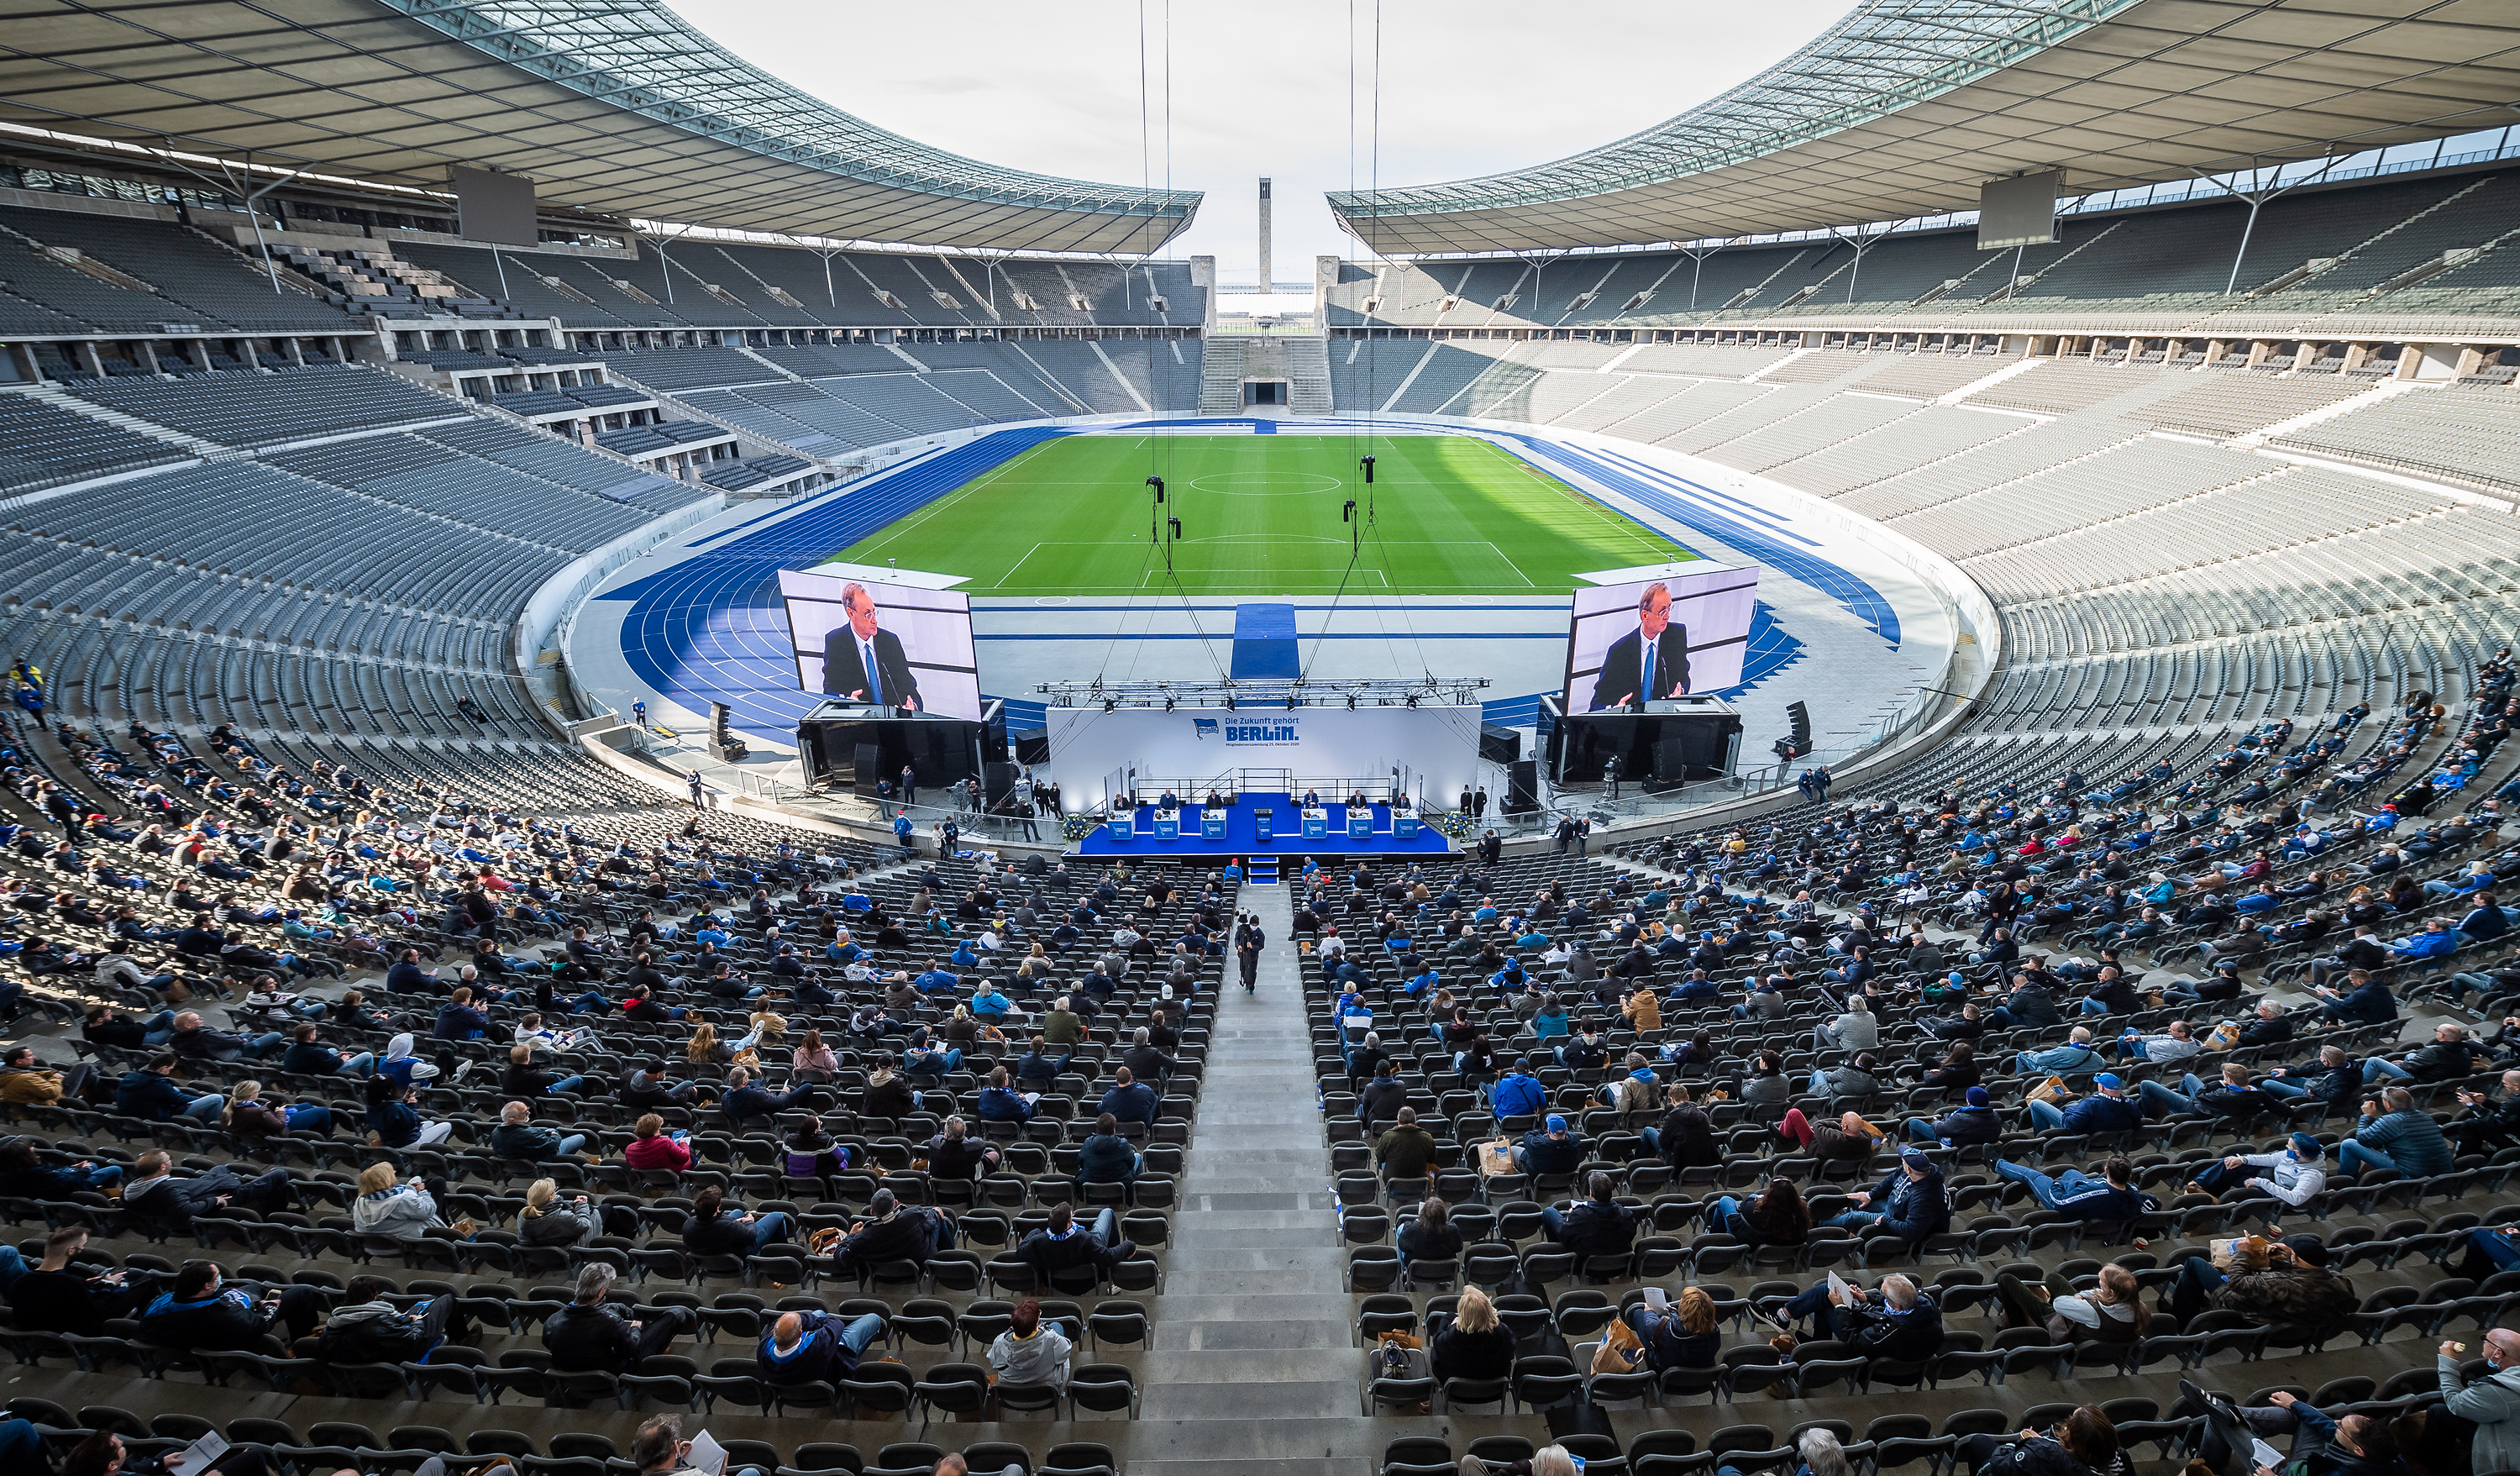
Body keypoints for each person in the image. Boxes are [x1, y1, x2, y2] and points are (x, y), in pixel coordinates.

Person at [2184, 1379, 2399, 1476]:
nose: (2336, 1423)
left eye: (2341, 1427)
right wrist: (2295, 1404)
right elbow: (2325, 1425)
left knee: (2217, 1421)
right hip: (2317, 1463)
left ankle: (2210, 1465)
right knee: (2304, 1417)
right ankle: (2236, 1413)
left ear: (2358, 1451)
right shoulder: (2392, 1460)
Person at [139, 1259, 324, 1348]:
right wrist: (269, 1306)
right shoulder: (221, 1314)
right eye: (216, 1277)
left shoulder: (158, 1304)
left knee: (252, 1286)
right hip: (230, 1332)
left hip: (204, 1325)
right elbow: (259, 1325)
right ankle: (302, 1344)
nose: (220, 1278)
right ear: (207, 1286)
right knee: (302, 1293)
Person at [546, 1263, 696, 1370]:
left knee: (621, 1308)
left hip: (572, 1369)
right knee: (677, 1314)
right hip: (613, 1369)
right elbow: (631, 1349)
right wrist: (635, 1329)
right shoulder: (609, 1320)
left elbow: (548, 1343)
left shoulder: (553, 1319)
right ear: (600, 1293)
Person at [7, 1226, 150, 1333]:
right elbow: (95, 1309)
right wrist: (110, 1285)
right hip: (78, 1330)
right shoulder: (70, 1283)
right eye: (81, 1248)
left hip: (44, 1328)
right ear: (70, 1251)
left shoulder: (19, 1282)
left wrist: (88, 1285)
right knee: (146, 1278)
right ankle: (138, 1331)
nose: (81, 1251)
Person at [1588, 581, 1689, 711]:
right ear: (1645, 615)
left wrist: (1681, 693)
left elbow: (1684, 678)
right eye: (1662, 611)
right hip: (1629, 722)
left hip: (1663, 718)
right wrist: (1615, 709)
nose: (1668, 616)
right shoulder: (1619, 651)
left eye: (1669, 608)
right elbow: (1596, 704)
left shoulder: (1676, 636)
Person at [819, 581, 921, 710]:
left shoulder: (890, 642)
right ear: (851, 613)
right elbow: (829, 690)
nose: (874, 620)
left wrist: (913, 707)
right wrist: (847, 701)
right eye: (868, 614)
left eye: (874, 612)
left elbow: (911, 690)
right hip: (861, 724)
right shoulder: (836, 642)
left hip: (894, 721)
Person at [1996, 1263, 2148, 1344]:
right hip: (2087, 1320)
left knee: (2006, 1280)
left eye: (2102, 1283)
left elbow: (2059, 1304)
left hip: (2064, 1325)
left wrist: (2079, 1300)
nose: (2099, 1283)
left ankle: (2016, 1327)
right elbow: (2094, 1297)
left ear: (2112, 1293)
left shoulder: (2093, 1313)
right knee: (2054, 1279)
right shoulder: (2139, 1309)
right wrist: (2083, 1295)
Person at [1960, 1406, 2133, 1476]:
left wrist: (2032, 1445)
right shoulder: (2119, 1460)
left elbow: (2001, 1466)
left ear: (2074, 1440)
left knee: (1978, 1443)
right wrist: (2044, 1443)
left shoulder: (2043, 1454)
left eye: (2071, 1422)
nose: (2067, 1421)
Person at [2438, 1328, 2520, 1473]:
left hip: (2507, 1463)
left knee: (2438, 1412)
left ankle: (2429, 1468)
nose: (2483, 1345)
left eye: (2486, 1341)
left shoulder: (2499, 1389)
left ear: (2498, 1353)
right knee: (2439, 1412)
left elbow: (2456, 1403)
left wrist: (2448, 1362)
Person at [832, 1188, 955, 1279]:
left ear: (872, 1212)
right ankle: (949, 1261)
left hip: (884, 1274)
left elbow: (840, 1260)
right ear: (896, 1203)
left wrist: (851, 1235)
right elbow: (932, 1218)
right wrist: (935, 1211)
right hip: (919, 1263)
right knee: (937, 1217)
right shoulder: (913, 1215)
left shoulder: (864, 1237)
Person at [1015, 1202, 1136, 1293]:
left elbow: (1019, 1252)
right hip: (1089, 1281)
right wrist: (1129, 1245)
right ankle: (1113, 1277)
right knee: (1108, 1212)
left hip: (1057, 1282)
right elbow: (1109, 1257)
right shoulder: (1086, 1240)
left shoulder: (1039, 1241)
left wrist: (1035, 1232)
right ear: (1068, 1225)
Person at [1992, 1154, 2149, 1221]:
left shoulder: (2095, 1193)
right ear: (2129, 1177)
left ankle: (1997, 1163)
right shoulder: (2133, 1192)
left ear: (2106, 1170)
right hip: (2091, 1197)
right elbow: (2152, 1203)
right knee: (2071, 1172)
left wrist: (2056, 1185)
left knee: (2033, 1176)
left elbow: (2062, 1203)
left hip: (2064, 1205)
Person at [758, 1306, 886, 1387]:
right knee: (873, 1319)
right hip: (834, 1359)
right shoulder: (819, 1346)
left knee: (819, 1312)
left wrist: (810, 1322)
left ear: (773, 1333)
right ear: (800, 1334)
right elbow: (836, 1324)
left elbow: (777, 1322)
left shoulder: (763, 1350)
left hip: (792, 1377)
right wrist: (817, 1325)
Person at [2342, 1085, 2454, 1178]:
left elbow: (2363, 1139)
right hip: (2442, 1175)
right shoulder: (2426, 1117)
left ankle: (2347, 1183)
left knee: (2348, 1144)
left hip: (2412, 1176)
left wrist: (2367, 1116)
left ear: (2388, 1104)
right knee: (2387, 1147)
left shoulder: (2390, 1121)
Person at [2191, 1132, 2327, 1208]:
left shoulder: (2312, 1176)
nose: (2286, 1147)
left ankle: (2203, 1197)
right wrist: (2243, 1159)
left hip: (2276, 1192)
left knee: (2230, 1176)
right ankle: (2201, 1190)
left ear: (2297, 1153)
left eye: (2289, 1146)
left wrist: (2261, 1182)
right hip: (2269, 1175)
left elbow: (2295, 1199)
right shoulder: (2293, 1155)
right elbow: (2270, 1159)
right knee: (2230, 1163)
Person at [1622, 1284, 1721, 1372]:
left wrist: (1649, 1312)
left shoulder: (1668, 1330)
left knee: (1639, 1314)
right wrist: (1673, 1312)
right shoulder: (1715, 1330)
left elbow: (1650, 1325)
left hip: (1664, 1374)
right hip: (1701, 1377)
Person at [1431, 1284, 1516, 1383]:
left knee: (1435, 1351)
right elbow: (1510, 1355)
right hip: (1493, 1386)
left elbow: (1438, 1343)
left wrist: (1452, 1326)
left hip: (1457, 1389)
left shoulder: (1451, 1338)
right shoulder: (1504, 1333)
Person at [987, 1297, 1074, 1391]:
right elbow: (1065, 1352)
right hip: (1046, 1394)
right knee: (1056, 1326)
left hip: (1013, 1396)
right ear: (1036, 1323)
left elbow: (995, 1363)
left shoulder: (999, 1341)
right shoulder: (1052, 1339)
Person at [1544, 1171, 1635, 1259]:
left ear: (1591, 1192)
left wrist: (1571, 1216)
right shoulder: (1626, 1215)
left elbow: (1562, 1232)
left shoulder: (1580, 1216)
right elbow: (1631, 1234)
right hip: (1617, 1266)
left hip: (1586, 1266)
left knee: (1548, 1212)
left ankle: (1555, 1254)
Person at [682, 1185, 792, 1258]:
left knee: (737, 1212)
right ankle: (782, 1251)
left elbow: (719, 1226)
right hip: (740, 1252)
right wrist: (749, 1221)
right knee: (777, 1216)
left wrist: (734, 1223)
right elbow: (751, 1236)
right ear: (716, 1209)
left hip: (711, 1252)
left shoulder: (688, 1225)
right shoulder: (728, 1226)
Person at [350, 1160, 447, 1241]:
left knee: (433, 1183)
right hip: (411, 1242)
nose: (395, 1172)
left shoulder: (361, 1200)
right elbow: (429, 1210)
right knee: (438, 1184)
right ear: (385, 1180)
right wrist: (422, 1191)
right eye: (391, 1172)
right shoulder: (401, 1201)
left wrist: (411, 1189)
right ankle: (447, 1228)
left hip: (374, 1245)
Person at [1705, 1175, 1810, 1248]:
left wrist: (1758, 1199)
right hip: (1775, 1241)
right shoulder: (1800, 1215)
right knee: (1753, 1196)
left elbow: (1744, 1205)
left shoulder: (1757, 1213)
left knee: (1725, 1201)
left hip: (1750, 1240)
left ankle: (1715, 1236)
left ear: (1771, 1196)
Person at [1075, 1112, 1142, 1185]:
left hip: (1090, 1186)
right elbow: (1131, 1163)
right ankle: (1138, 1190)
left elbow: (1080, 1162)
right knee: (1138, 1157)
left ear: (1097, 1129)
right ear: (1114, 1130)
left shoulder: (1087, 1143)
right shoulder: (1123, 1144)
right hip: (1122, 1185)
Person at [1398, 1196, 1462, 1268]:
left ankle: (1403, 1269)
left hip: (1417, 1271)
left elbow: (1402, 1245)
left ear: (1423, 1214)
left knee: (1400, 1229)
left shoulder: (1414, 1229)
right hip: (1444, 1271)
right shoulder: (1453, 1230)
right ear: (1444, 1215)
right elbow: (1459, 1248)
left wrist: (1414, 1223)